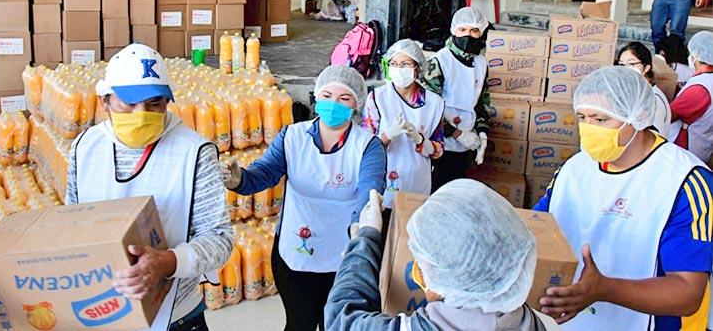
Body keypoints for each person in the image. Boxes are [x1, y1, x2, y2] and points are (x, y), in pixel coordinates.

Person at [66, 43, 233, 331]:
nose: (141, 113)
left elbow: (220, 240)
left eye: (154, 104)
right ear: (105, 101)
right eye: (128, 104)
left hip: (176, 314)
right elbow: (73, 224)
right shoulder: (85, 147)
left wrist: (167, 262)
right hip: (105, 309)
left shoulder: (194, 151)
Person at [534, 66, 712, 330]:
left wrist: (604, 289)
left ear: (638, 117)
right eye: (583, 117)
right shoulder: (574, 169)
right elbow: (539, 228)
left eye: (601, 119)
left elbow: (687, 293)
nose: (589, 129)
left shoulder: (684, 181)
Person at [221, 65, 386, 331]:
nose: (334, 103)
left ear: (357, 103)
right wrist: (238, 178)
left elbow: (369, 193)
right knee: (300, 323)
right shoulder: (292, 137)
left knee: (337, 325)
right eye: (328, 95)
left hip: (345, 254)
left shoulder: (367, 146)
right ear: (317, 97)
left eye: (344, 98)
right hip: (296, 252)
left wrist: (360, 231)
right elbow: (264, 173)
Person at [324, 181, 559, 330]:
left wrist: (366, 236)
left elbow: (341, 319)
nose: (419, 270)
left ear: (448, 280)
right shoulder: (546, 325)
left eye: (424, 265)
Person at [361, 39, 445, 208]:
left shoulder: (434, 103)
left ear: (417, 67)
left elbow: (437, 151)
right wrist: (387, 136)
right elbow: (364, 149)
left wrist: (421, 141)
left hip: (417, 181)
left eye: (405, 64)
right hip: (383, 180)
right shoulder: (377, 98)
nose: (399, 69)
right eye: (394, 63)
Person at [422, 7, 491, 189]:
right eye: (462, 30)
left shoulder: (481, 64)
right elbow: (427, 108)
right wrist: (456, 133)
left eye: (474, 31)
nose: (467, 35)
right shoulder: (440, 62)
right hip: (439, 141)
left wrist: (482, 132)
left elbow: (482, 101)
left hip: (467, 143)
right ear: (454, 30)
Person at [670, 30, 713, 163]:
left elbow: (670, 115)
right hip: (703, 145)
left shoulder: (699, 88)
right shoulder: (707, 81)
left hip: (687, 149)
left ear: (697, 55)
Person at [617, 42, 671, 137]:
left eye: (631, 63)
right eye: (621, 65)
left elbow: (656, 138)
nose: (625, 69)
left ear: (646, 67)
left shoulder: (654, 100)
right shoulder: (634, 94)